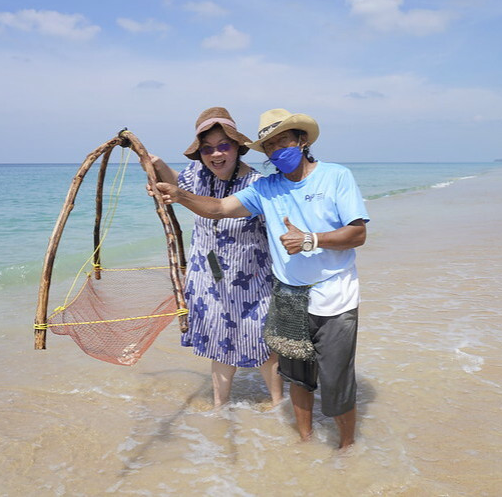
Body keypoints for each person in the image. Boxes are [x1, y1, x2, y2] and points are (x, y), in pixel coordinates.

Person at [155, 108, 368, 449]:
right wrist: (179, 195)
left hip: (334, 297)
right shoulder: (266, 188)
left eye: (283, 140)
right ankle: (304, 444)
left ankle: (348, 451)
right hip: (287, 295)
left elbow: (357, 234)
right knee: (297, 378)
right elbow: (218, 208)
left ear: (302, 140)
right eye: (270, 145)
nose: (277, 149)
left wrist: (310, 239)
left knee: (335, 381)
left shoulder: (335, 176)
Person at [150, 107, 283, 409]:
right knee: (219, 347)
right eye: (208, 149)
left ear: (237, 146)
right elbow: (179, 183)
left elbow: (219, 207)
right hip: (208, 280)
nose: (216, 154)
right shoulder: (197, 175)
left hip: (253, 283)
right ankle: (220, 409)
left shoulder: (257, 185)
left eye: (224, 145)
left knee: (263, 346)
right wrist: (158, 168)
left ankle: (279, 407)